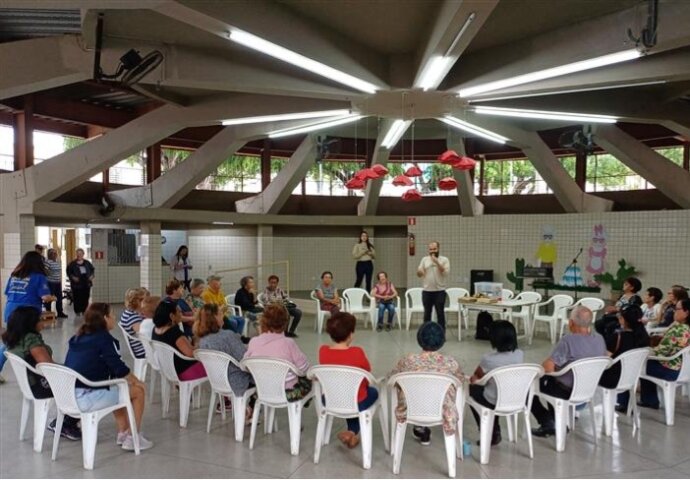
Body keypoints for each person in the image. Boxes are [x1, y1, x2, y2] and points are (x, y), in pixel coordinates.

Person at [64, 303, 152, 450]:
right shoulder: (104, 339)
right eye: (112, 315)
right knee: (138, 391)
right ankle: (132, 437)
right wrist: (138, 382)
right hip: (86, 398)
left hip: (68, 395)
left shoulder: (78, 337)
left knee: (116, 386)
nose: (115, 317)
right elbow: (119, 369)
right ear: (105, 318)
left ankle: (123, 432)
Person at [3, 307, 82, 440]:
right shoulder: (31, 339)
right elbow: (47, 366)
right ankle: (65, 423)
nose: (43, 322)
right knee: (83, 381)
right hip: (40, 385)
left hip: (29, 384)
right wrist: (69, 370)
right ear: (30, 323)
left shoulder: (14, 337)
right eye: (40, 320)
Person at [531, 306, 607, 437]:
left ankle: (549, 422)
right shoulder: (599, 339)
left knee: (531, 384)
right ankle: (555, 419)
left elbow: (548, 367)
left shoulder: (568, 340)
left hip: (565, 391)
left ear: (571, 323)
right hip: (588, 390)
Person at [390, 321, 464, 446]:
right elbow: (460, 381)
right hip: (442, 409)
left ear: (419, 339)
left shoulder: (408, 361)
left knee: (417, 392)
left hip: (412, 407)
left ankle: (420, 428)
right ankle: (423, 429)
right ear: (442, 341)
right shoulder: (450, 363)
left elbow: (392, 378)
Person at [319, 312, 378, 449]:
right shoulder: (357, 352)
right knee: (371, 392)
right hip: (357, 401)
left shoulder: (323, 351)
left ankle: (352, 433)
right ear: (351, 334)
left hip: (330, 399)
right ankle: (352, 433)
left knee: (347, 395)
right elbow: (367, 370)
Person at [193, 303, 255, 417]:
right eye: (221, 313)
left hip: (217, 380)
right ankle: (251, 410)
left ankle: (244, 408)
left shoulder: (202, 340)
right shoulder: (228, 336)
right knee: (260, 376)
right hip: (237, 381)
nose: (224, 316)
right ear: (215, 317)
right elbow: (244, 360)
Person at [468, 321, 524, 447]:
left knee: (473, 389)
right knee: (493, 389)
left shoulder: (489, 359)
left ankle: (490, 431)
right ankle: (495, 428)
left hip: (494, 400)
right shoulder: (519, 354)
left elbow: (476, 375)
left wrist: (475, 379)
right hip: (515, 398)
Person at [244, 304, 312, 402]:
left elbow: (245, 364)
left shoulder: (254, 341)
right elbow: (303, 368)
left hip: (263, 389)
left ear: (263, 321)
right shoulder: (288, 343)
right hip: (287, 392)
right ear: (285, 323)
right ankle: (302, 404)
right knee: (310, 380)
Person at [638, 298, 690, 409]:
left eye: (677, 309)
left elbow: (661, 351)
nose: (674, 312)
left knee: (640, 364)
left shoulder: (679, 330)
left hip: (671, 370)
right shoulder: (684, 328)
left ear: (686, 312)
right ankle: (649, 399)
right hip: (684, 369)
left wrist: (643, 351)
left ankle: (647, 400)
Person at [598, 305, 649, 412]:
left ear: (624, 320)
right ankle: (623, 403)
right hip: (632, 377)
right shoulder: (644, 337)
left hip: (613, 379)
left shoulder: (618, 337)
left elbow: (604, 358)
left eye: (620, 317)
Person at [151, 300, 207, 381]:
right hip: (183, 372)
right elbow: (191, 353)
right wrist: (198, 342)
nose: (181, 314)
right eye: (179, 312)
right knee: (215, 366)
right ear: (171, 316)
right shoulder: (174, 333)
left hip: (168, 369)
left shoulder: (155, 329)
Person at [3, 251, 55, 325]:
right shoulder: (39, 276)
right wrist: (53, 298)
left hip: (10, 311)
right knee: (28, 336)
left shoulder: (14, 276)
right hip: (28, 312)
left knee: (13, 335)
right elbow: (45, 297)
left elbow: (8, 293)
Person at [416, 241, 450, 330]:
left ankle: (441, 334)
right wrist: (419, 272)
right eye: (430, 249)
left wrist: (437, 262)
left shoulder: (444, 260)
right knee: (427, 313)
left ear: (438, 249)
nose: (432, 251)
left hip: (440, 291)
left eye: (434, 249)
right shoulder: (424, 259)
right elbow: (419, 273)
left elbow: (445, 273)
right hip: (427, 291)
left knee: (440, 313)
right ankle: (426, 334)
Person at [119, 287, 148, 360]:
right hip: (142, 350)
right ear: (138, 302)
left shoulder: (128, 312)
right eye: (146, 300)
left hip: (139, 346)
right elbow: (146, 334)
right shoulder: (133, 318)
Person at [66, 248, 95, 317]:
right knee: (77, 298)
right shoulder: (72, 264)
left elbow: (92, 270)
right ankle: (78, 311)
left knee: (85, 297)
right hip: (76, 284)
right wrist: (73, 277)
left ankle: (84, 310)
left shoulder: (87, 263)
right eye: (78, 254)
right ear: (76, 254)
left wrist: (92, 276)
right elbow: (68, 272)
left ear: (83, 254)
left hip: (86, 283)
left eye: (80, 254)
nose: (79, 255)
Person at [44, 248, 67, 318]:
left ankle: (60, 312)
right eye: (52, 253)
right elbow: (45, 271)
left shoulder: (57, 262)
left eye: (55, 253)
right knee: (50, 298)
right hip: (50, 283)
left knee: (59, 298)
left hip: (57, 282)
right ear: (49, 254)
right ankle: (48, 313)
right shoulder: (47, 262)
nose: (54, 255)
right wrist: (50, 273)